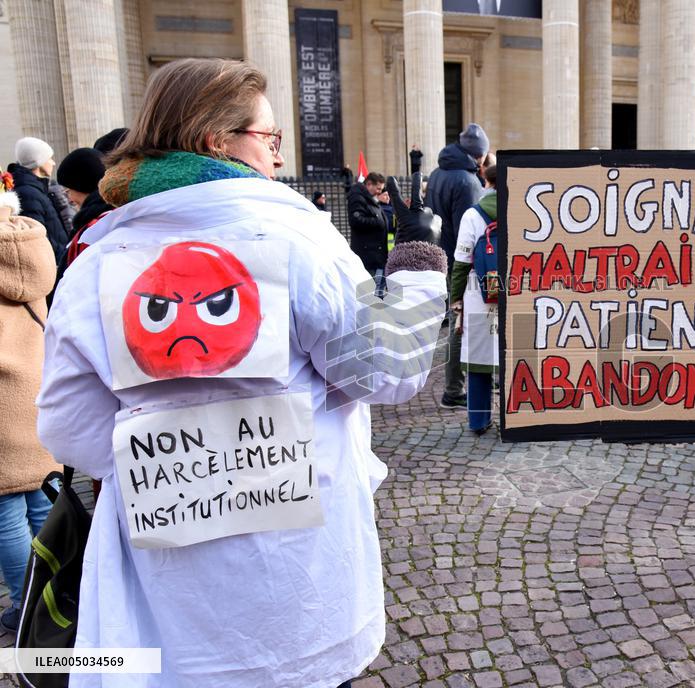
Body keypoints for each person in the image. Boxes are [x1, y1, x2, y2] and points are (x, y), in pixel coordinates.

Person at [36, 57, 446, 687]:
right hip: (296, 576)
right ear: (215, 140)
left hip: (167, 579)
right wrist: (419, 281)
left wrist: (171, 461)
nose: (277, 158)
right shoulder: (299, 241)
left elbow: (68, 427)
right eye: (270, 139)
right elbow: (385, 372)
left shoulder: (94, 259)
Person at [0, 186, 59, 633]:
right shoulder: (31, 248)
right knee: (42, 504)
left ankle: (26, 609)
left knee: (5, 517)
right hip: (35, 397)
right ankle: (56, 597)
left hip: (2, 404)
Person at [426, 123, 489, 409]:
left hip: (441, 255)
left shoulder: (439, 173)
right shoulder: (467, 182)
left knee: (455, 321)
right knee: (459, 324)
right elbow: (473, 231)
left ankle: (456, 385)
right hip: (459, 261)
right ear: (478, 156)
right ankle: (453, 389)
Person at [450, 165, 499, 434]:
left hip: (478, 291)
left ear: (486, 181)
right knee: (515, 356)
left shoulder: (472, 214)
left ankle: (479, 420)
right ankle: (516, 420)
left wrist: (455, 296)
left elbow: (461, 261)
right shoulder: (524, 208)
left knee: (480, 357)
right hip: (515, 288)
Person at [9, 137, 69, 261]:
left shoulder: (37, 189)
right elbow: (39, 237)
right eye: (49, 158)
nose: (53, 163)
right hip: (53, 264)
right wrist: (64, 257)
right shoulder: (28, 193)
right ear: (38, 162)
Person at [55, 147, 113, 271]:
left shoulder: (94, 227)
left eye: (68, 191)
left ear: (82, 185)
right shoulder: (110, 217)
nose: (69, 199)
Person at [348, 171, 390, 274]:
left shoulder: (370, 199)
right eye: (378, 188)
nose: (379, 192)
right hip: (368, 256)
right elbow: (356, 220)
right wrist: (378, 221)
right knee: (369, 288)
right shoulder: (358, 197)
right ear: (369, 184)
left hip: (375, 255)